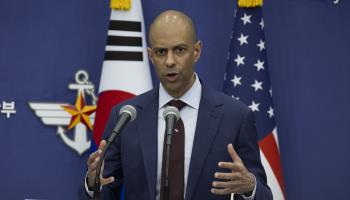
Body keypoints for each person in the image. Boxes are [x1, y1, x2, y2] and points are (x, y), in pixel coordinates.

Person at [83, 10, 272, 200]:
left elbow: (264, 195)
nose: (170, 61)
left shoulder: (235, 117)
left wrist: (250, 187)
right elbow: (106, 190)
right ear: (150, 55)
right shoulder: (126, 117)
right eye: (161, 52)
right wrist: (93, 185)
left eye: (179, 50)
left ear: (196, 51)